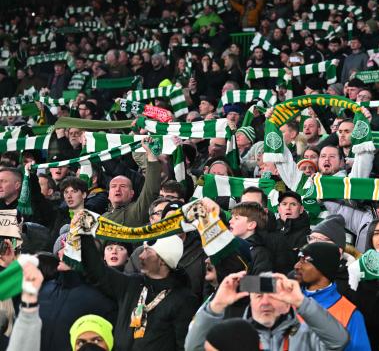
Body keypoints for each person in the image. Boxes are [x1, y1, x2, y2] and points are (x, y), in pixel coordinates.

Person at [76, 209, 199, 351]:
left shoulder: (183, 299)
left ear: (163, 261)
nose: (140, 256)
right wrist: (84, 236)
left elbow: (184, 346)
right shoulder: (131, 285)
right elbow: (97, 272)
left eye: (147, 251)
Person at [184, 271, 349, 351]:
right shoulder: (235, 335)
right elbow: (194, 349)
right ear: (250, 302)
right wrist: (216, 306)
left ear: (287, 304)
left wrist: (301, 302)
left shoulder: (306, 337)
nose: (265, 302)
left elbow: (339, 341)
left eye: (273, 296)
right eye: (258, 296)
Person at [294, 242, 371, 351]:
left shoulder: (350, 314)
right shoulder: (287, 302)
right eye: (299, 259)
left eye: (305, 260)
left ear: (323, 266)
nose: (297, 266)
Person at [103, 138, 162, 227]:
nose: (117, 189)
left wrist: (151, 155)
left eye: (123, 186)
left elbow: (150, 190)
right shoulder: (102, 218)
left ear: (132, 193)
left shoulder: (137, 210)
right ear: (108, 194)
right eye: (113, 186)